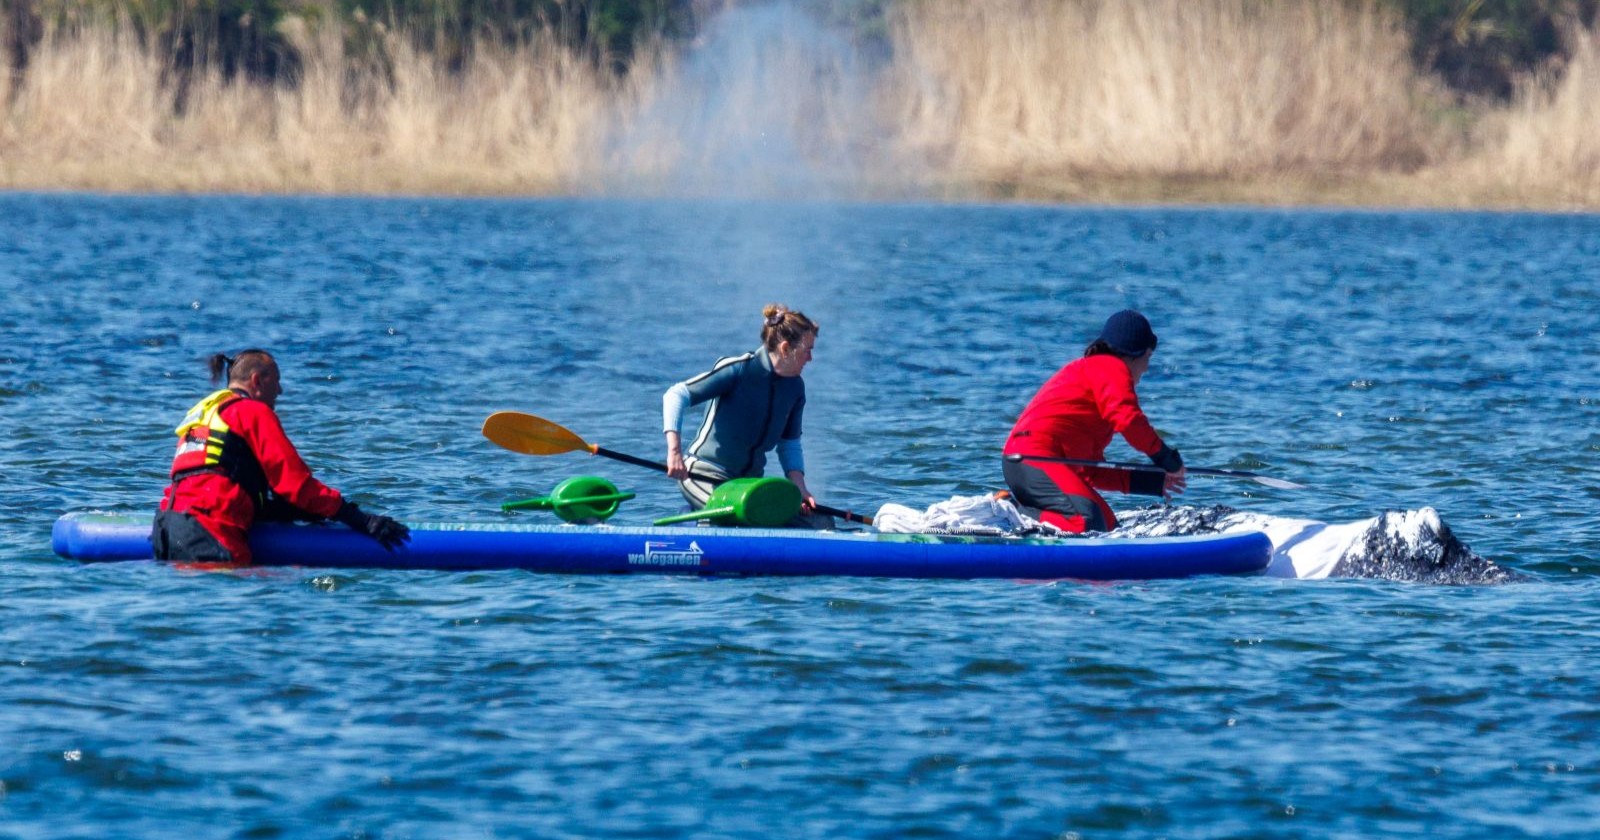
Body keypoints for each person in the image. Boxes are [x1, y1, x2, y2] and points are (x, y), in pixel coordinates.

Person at [151, 349, 410, 564]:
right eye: (277, 381)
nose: (281, 391)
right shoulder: (252, 412)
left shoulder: (208, 412)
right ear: (257, 381)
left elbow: (216, 482)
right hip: (209, 533)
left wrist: (300, 513)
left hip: (167, 529)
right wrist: (361, 520)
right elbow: (296, 485)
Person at [1002, 310, 1188, 533]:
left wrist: (1152, 481)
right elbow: (1128, 420)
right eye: (1148, 357)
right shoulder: (1109, 367)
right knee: (1085, 522)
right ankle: (1009, 511)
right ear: (1134, 353)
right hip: (1030, 460)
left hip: (1029, 463)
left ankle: (1022, 512)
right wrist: (1166, 458)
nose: (1147, 367)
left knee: (1106, 526)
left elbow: (1091, 472)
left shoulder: (1095, 382)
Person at [662, 304, 828, 526]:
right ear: (786, 348)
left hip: (746, 486)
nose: (810, 358)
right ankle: (688, 523)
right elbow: (675, 395)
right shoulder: (739, 370)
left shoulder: (795, 388)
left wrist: (801, 489)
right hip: (703, 473)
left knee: (818, 522)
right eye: (808, 350)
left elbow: (789, 443)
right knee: (731, 519)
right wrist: (674, 452)